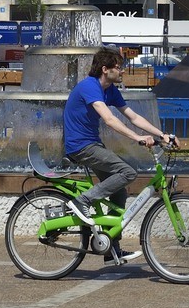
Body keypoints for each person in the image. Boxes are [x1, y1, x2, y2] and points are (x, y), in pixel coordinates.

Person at [62, 47, 177, 264]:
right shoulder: (90, 86)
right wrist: (138, 138)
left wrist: (162, 135)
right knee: (127, 172)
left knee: (119, 192)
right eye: (119, 67)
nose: (122, 71)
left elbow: (133, 116)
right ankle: (81, 201)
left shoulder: (111, 90)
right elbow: (110, 120)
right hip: (80, 146)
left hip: (92, 144)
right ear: (105, 69)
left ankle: (110, 249)